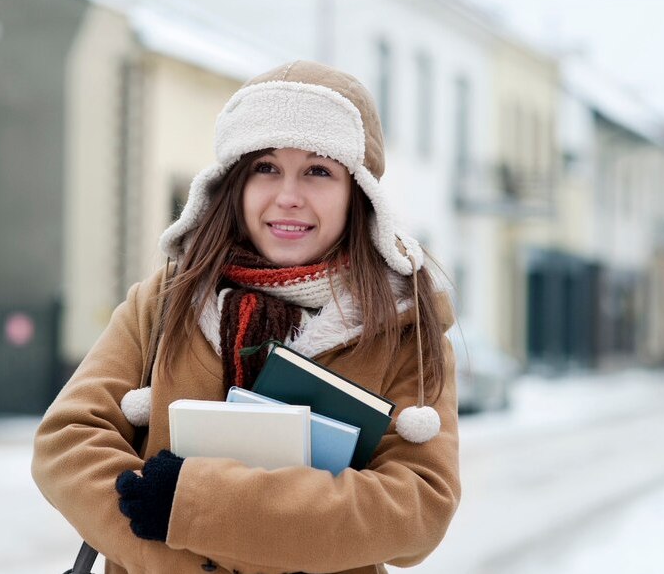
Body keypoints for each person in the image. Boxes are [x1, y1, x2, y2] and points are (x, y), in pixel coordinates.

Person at [31, 60, 459, 574]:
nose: (288, 196)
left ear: (358, 194)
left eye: (318, 170)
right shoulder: (166, 302)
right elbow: (67, 445)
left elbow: (417, 509)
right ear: (234, 182)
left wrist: (195, 507)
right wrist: (176, 564)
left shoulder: (401, 328)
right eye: (266, 167)